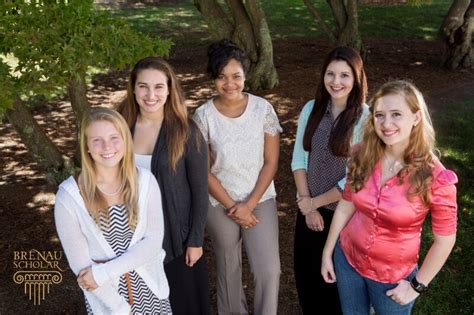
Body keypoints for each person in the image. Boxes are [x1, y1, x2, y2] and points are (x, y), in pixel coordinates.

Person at [321, 80, 458, 314]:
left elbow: (445, 241)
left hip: (392, 278)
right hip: (347, 261)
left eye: (396, 114)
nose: (386, 124)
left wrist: (416, 286)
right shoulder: (361, 155)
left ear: (415, 117)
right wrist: (328, 252)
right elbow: (346, 205)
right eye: (379, 115)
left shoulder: (435, 177)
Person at [193, 39, 282, 315]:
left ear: (245, 75)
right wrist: (233, 206)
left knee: (269, 270)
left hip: (260, 199)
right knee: (229, 268)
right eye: (221, 77)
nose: (229, 84)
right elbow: (203, 170)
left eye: (236, 76)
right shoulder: (203, 116)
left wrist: (249, 204)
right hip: (219, 202)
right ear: (213, 78)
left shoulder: (263, 109)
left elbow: (271, 162)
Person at [55, 107, 171, 314]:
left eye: (114, 137)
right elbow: (81, 266)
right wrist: (120, 308)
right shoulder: (69, 196)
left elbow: (153, 242)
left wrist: (102, 273)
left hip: (151, 290)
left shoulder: (144, 182)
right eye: (97, 140)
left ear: (125, 140)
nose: (107, 146)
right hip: (106, 300)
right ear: (87, 147)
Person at [118, 56, 210, 315]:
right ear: (133, 88)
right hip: (131, 237)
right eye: (143, 86)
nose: (151, 94)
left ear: (169, 89)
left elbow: (200, 193)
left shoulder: (186, 131)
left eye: (159, 86)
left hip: (176, 241)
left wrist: (195, 240)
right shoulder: (121, 128)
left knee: (183, 304)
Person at [291, 46, 369, 314]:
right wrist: (307, 204)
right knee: (307, 280)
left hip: (344, 216)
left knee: (335, 286)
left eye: (345, 75)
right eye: (331, 74)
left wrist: (315, 203)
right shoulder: (311, 108)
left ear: (357, 79)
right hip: (308, 210)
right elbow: (299, 160)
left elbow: (355, 176)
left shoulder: (365, 117)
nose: (336, 82)